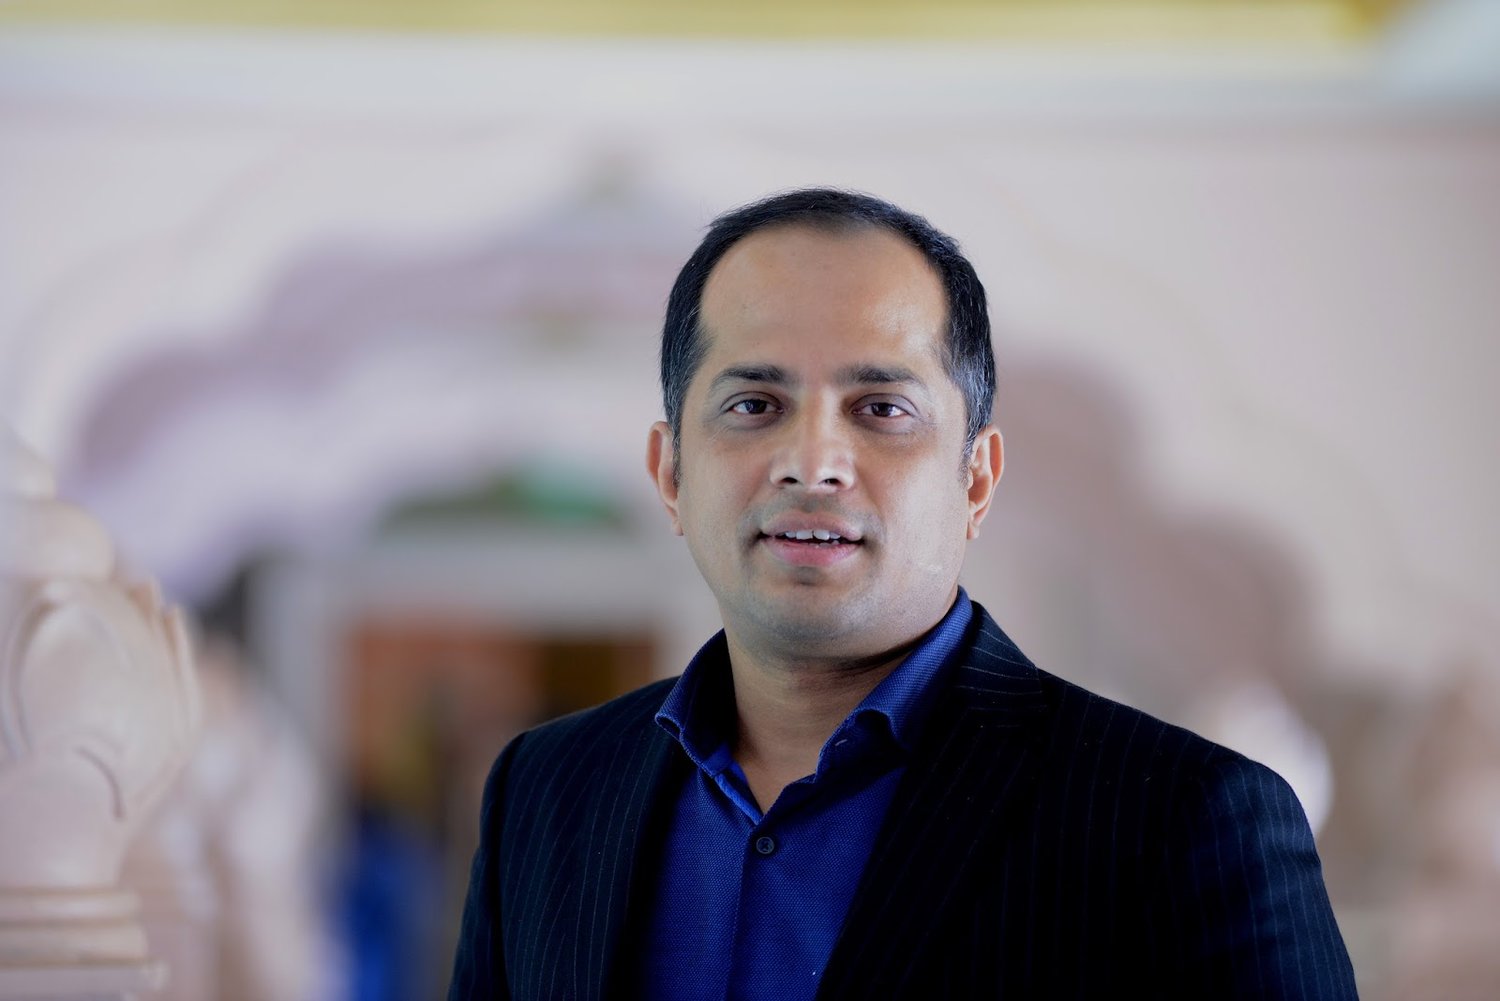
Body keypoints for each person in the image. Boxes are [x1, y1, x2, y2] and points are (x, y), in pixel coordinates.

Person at [448, 188, 1359, 999]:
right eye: (754, 405)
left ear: (977, 479)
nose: (812, 463)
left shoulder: (1185, 818)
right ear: (670, 472)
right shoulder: (547, 792)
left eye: (881, 409)